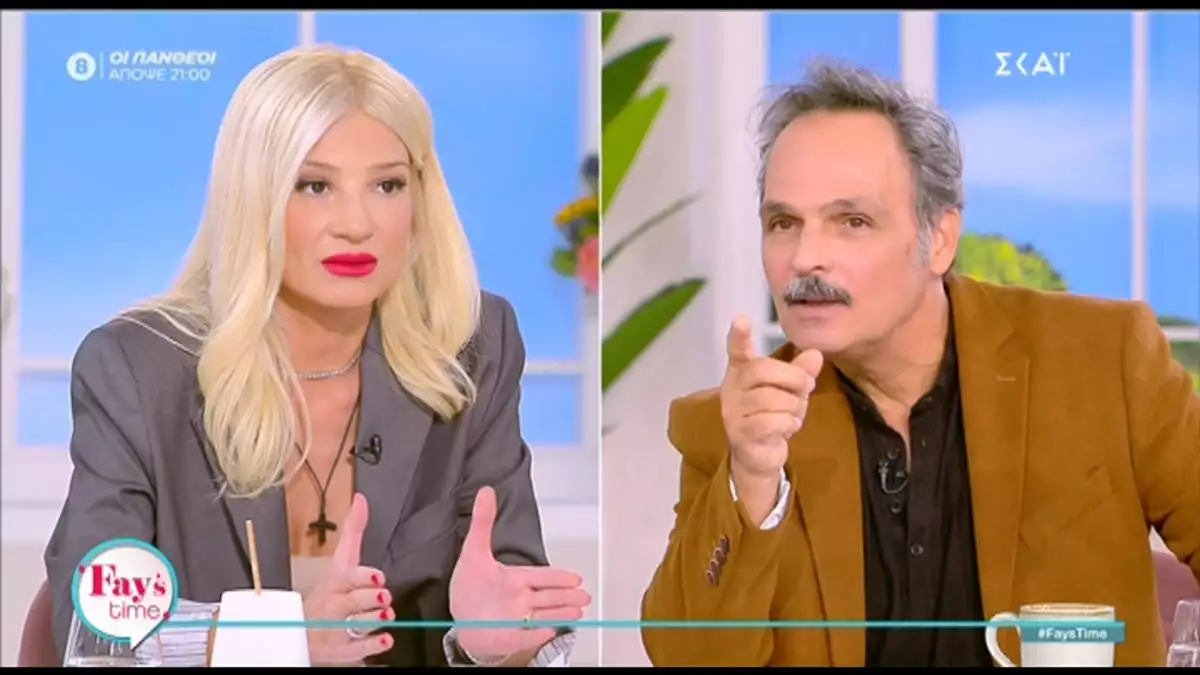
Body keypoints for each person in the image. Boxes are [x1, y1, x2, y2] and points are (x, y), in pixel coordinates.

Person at [44, 44, 590, 667]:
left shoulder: (472, 346)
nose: (356, 223)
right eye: (316, 186)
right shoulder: (136, 369)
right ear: (255, 198)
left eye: (387, 185)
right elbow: (91, 631)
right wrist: (279, 639)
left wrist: (488, 647)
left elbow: (512, 604)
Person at [640, 59, 1199, 668]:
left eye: (852, 222)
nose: (805, 257)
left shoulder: (1101, 361)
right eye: (783, 223)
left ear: (940, 240)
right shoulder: (736, 429)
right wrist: (751, 479)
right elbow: (688, 658)